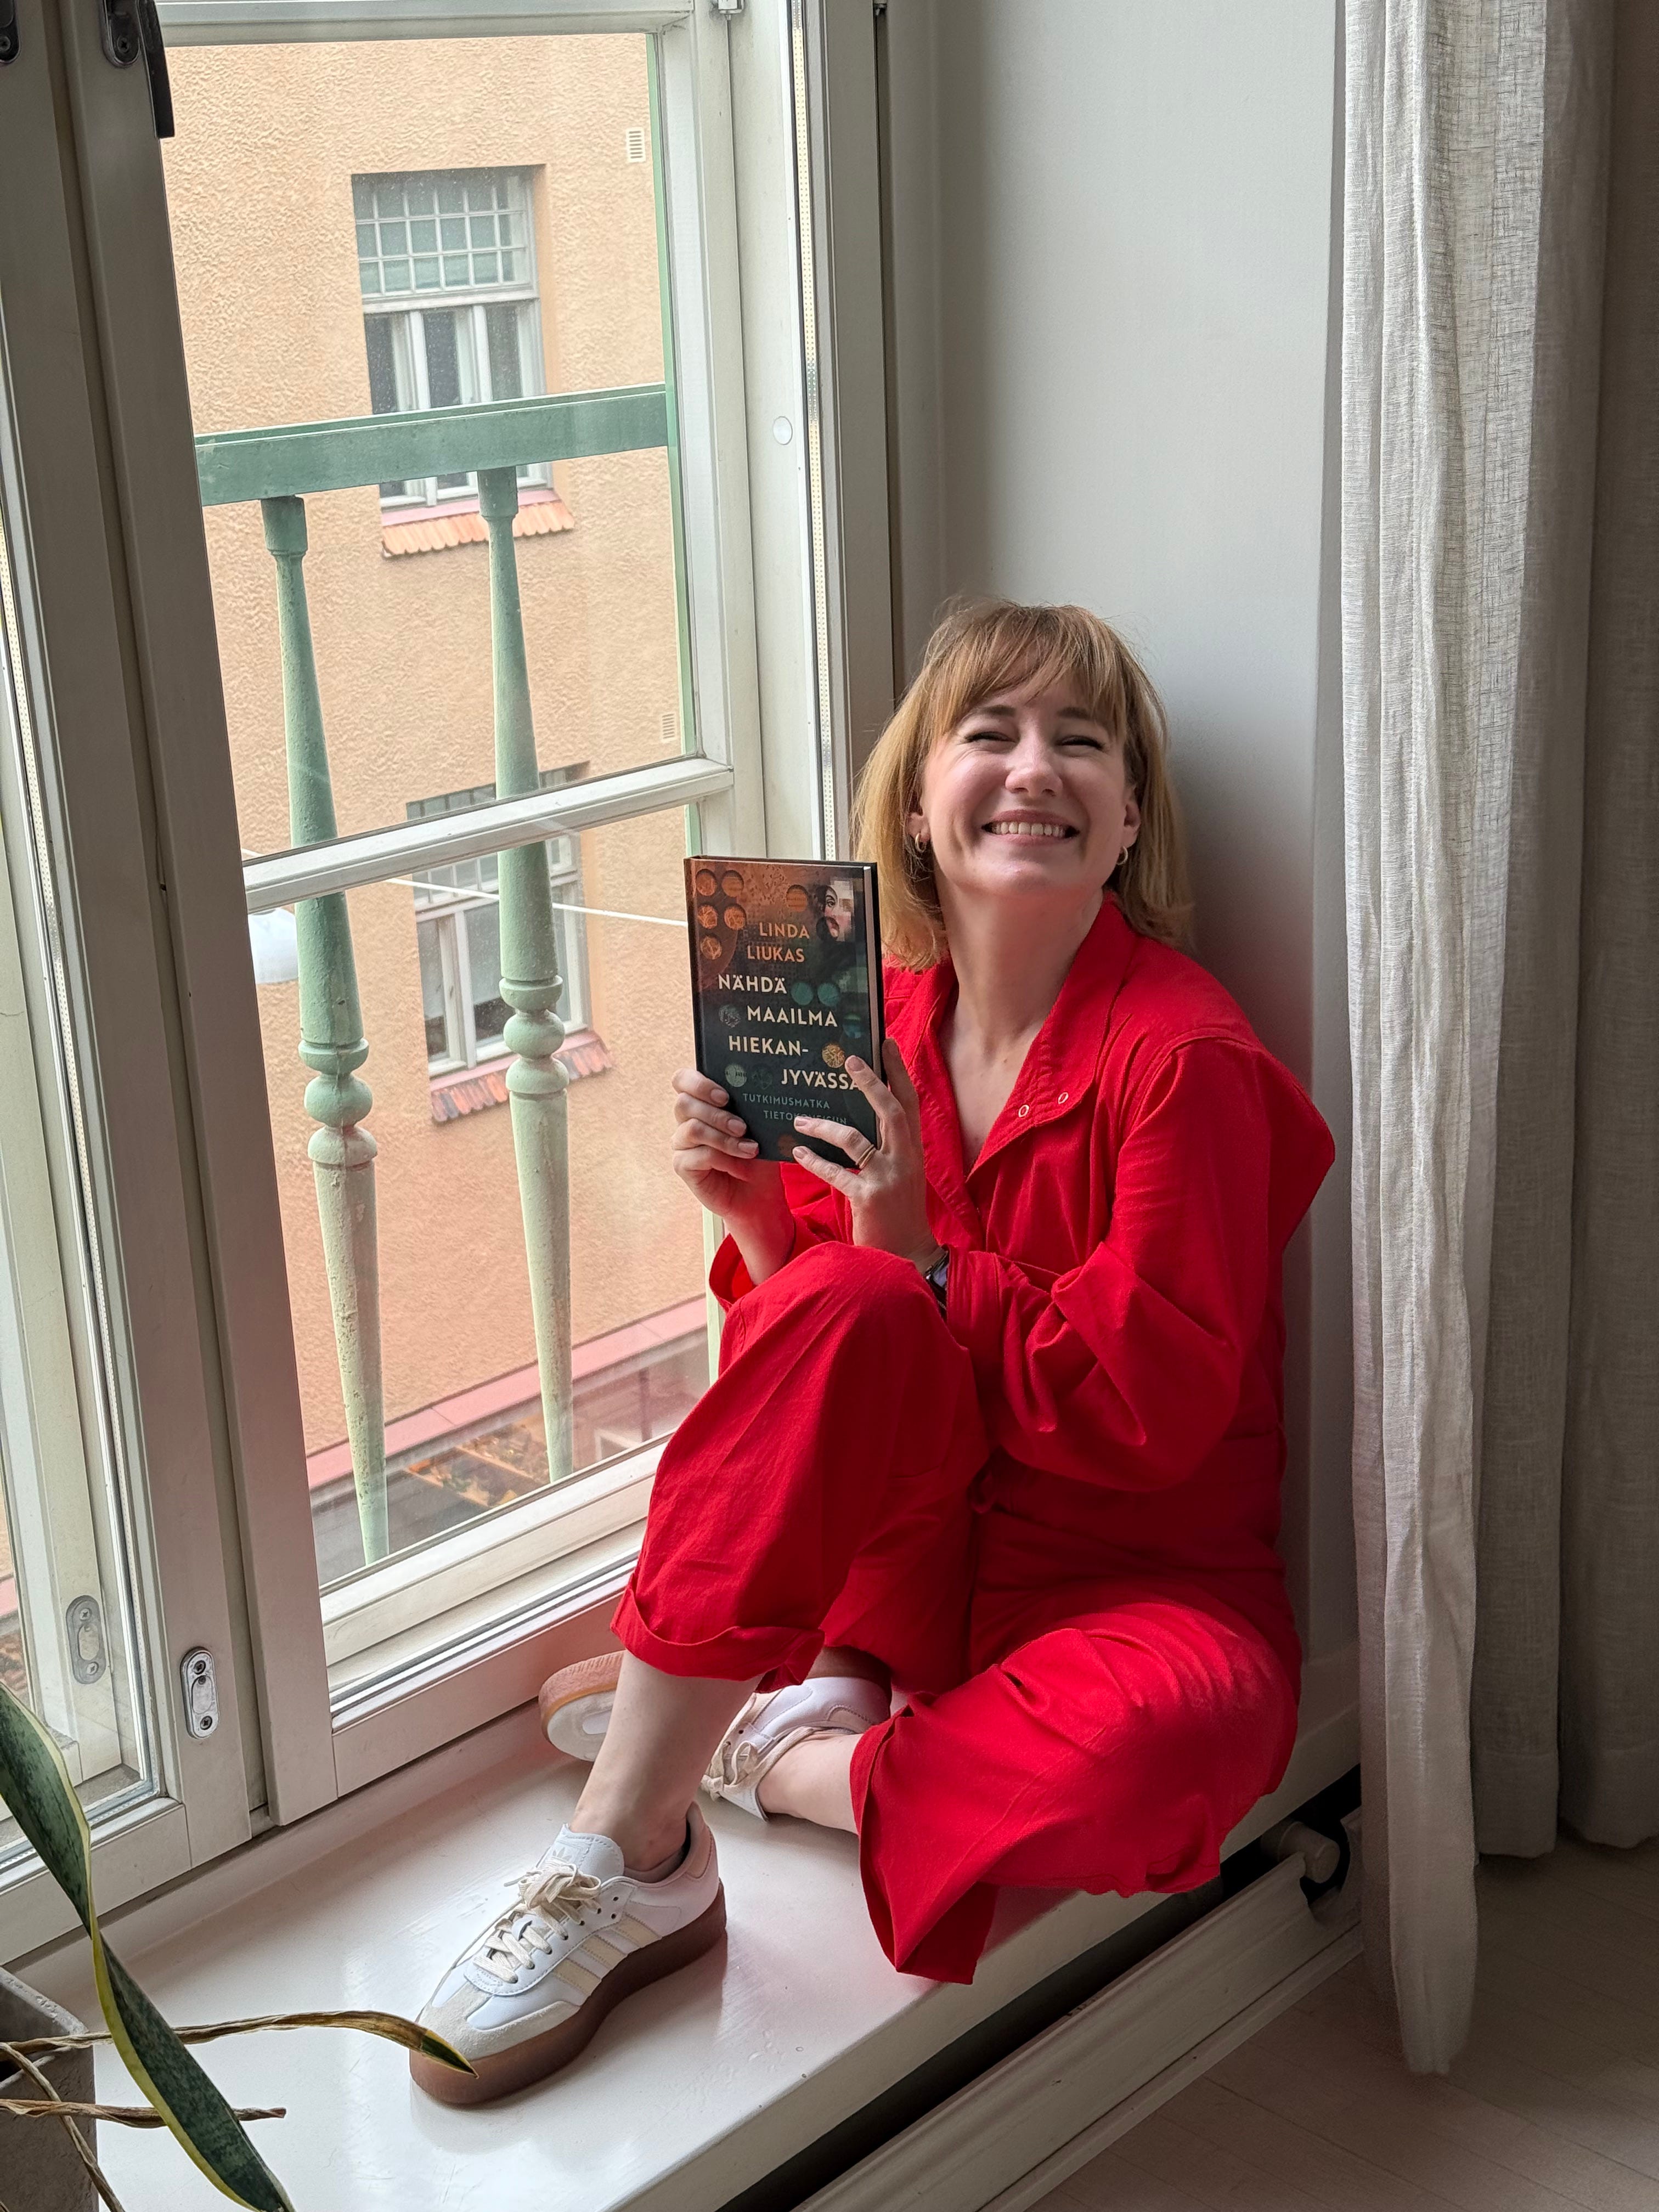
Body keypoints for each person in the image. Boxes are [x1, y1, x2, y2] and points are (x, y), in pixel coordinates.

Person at [411, 599, 1335, 2105]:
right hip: (909, 1568)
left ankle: (773, 1755)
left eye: (1081, 742)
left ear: (1129, 820)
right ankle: (625, 1848)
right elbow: (831, 1363)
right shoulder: (869, 1026)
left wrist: (925, 1259)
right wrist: (758, 1226)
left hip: (1126, 1592)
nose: (1033, 768)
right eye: (991, 733)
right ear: (916, 804)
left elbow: (1154, 1411)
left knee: (1185, 1751)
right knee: (844, 1299)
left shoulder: (1188, 1062)